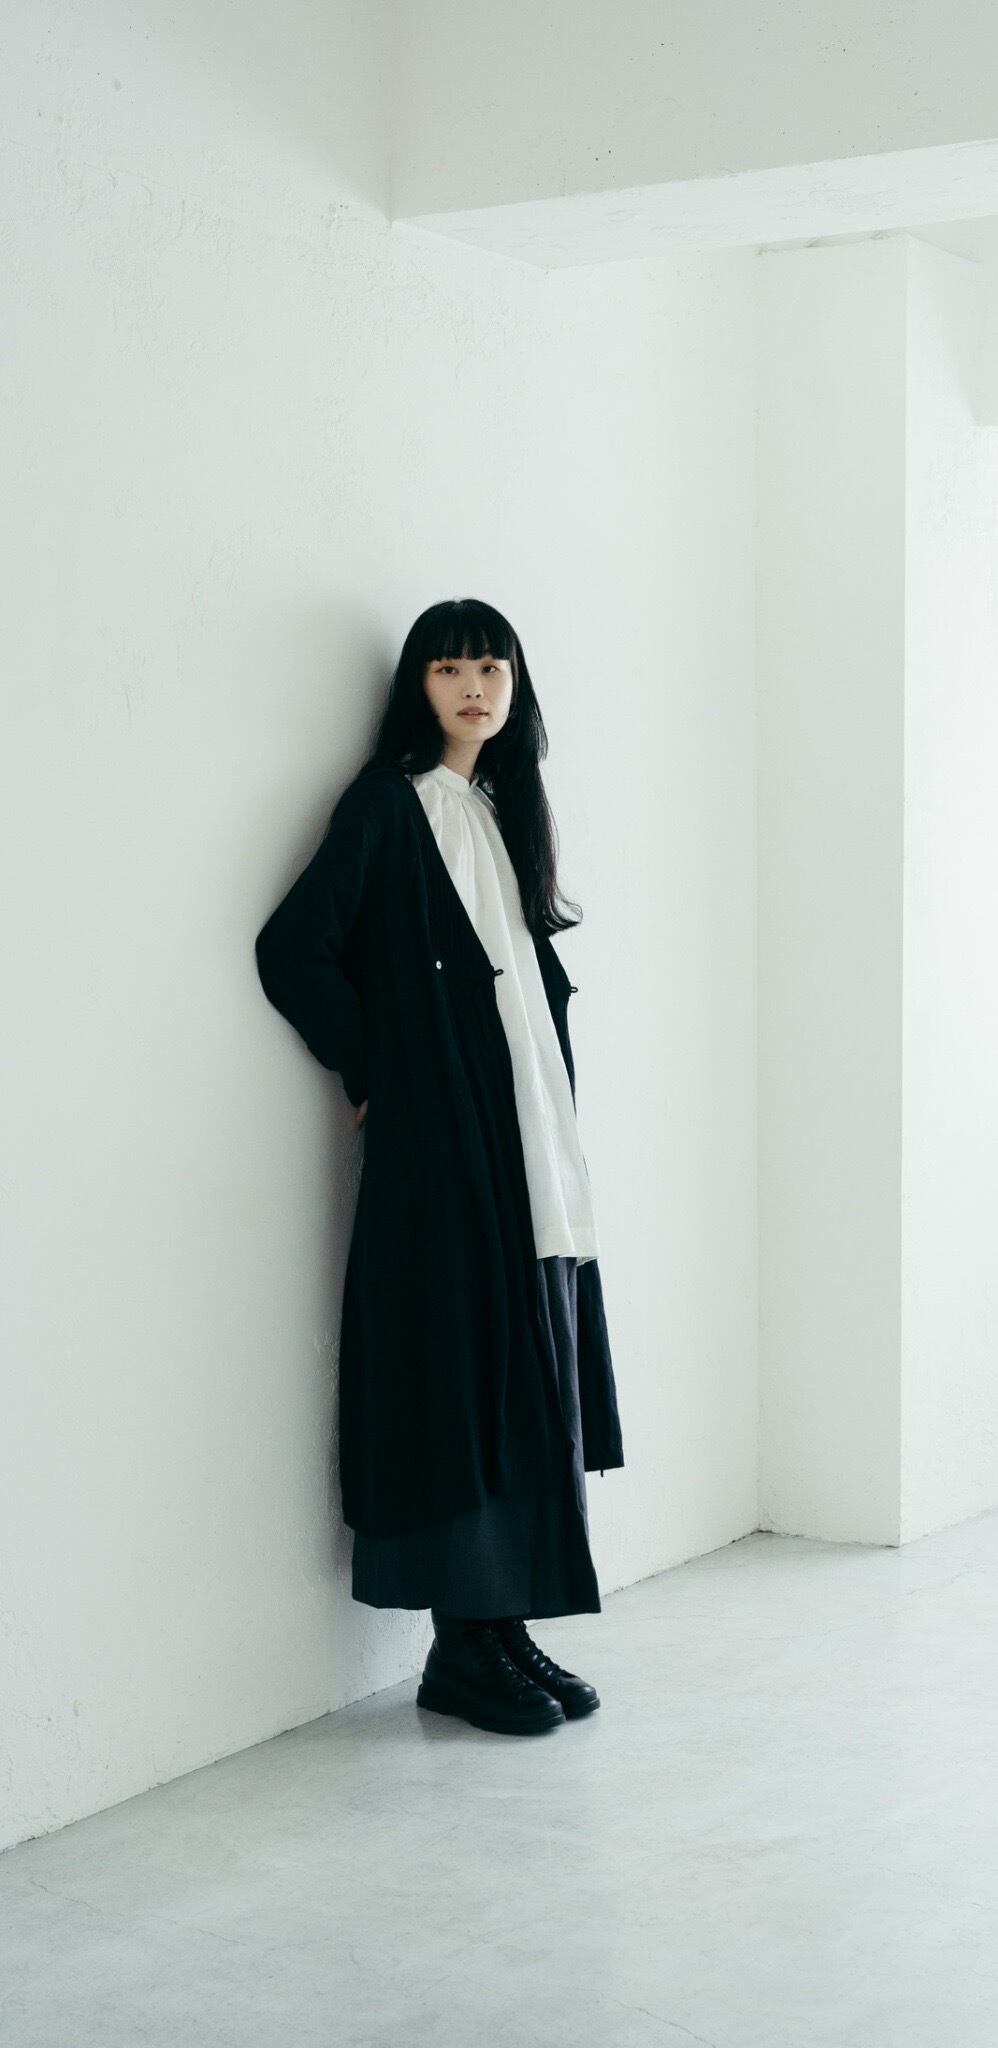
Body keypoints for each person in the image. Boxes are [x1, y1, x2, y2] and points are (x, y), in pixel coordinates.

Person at [255, 597, 625, 1738]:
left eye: (491, 667)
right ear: (416, 686)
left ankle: (500, 1626)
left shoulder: (501, 812)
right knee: (462, 1374)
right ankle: (460, 1648)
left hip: (523, 1139)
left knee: (523, 1375)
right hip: (448, 1142)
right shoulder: (388, 805)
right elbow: (293, 946)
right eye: (448, 667)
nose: (473, 687)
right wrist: (376, 1071)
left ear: (516, 687)